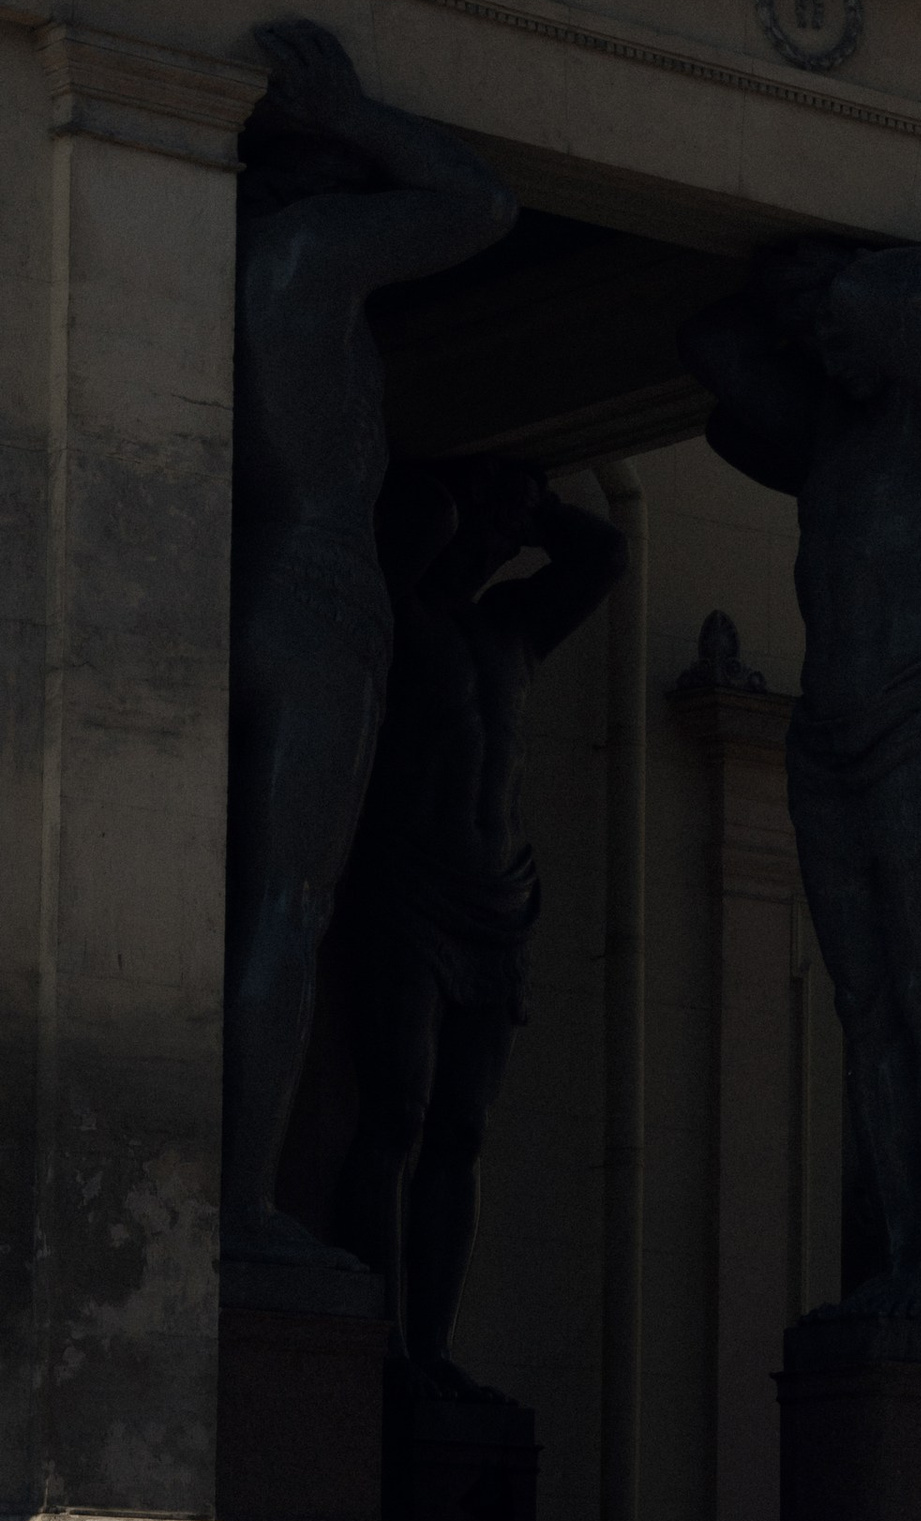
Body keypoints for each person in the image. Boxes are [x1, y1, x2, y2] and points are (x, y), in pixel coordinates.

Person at [682, 214, 921, 1319]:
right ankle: (897, 1261)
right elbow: (712, 354)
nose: (820, 343)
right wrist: (794, 288)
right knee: (866, 1009)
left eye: (828, 319)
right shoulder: (835, 437)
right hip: (829, 739)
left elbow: (885, 308)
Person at [225, 19, 516, 1266]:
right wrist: (356, 113)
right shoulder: (302, 257)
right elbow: (479, 199)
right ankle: (237, 1204)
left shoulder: (211, 255)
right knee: (287, 906)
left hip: (227, 578)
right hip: (321, 586)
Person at [332, 461, 627, 1395]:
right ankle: (370, 1335)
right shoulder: (389, 618)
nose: (493, 550)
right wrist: (457, 505)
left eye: (505, 540)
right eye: (481, 533)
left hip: (497, 900)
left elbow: (605, 555)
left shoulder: (511, 631)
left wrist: (535, 506)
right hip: (409, 889)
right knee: (397, 1109)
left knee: (461, 1129)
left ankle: (430, 1345)